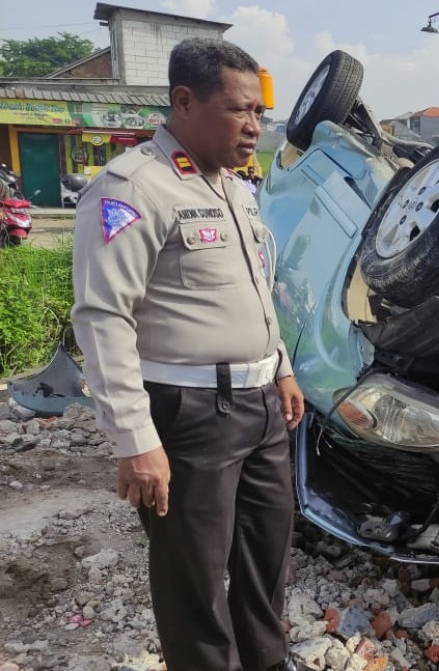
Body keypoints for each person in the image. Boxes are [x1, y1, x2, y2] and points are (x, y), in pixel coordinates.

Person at [71, 39, 309, 671]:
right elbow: (103, 316)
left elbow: (256, 290)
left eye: (259, 112)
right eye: (239, 111)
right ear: (183, 102)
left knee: (266, 564)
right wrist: (133, 438)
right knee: (194, 581)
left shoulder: (236, 191)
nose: (255, 127)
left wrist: (280, 367)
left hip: (260, 408)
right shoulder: (133, 188)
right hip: (189, 414)